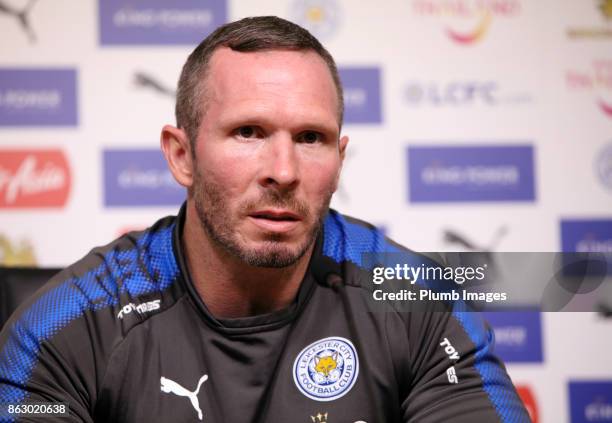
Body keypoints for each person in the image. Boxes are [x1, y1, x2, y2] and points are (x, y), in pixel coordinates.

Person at [0, 16, 529, 422]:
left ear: (340, 160)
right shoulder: (63, 329)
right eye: (249, 132)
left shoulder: (419, 303)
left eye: (310, 138)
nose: (283, 171)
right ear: (181, 155)